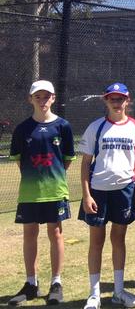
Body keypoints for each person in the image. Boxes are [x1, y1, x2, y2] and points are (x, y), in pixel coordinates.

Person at [78, 82, 135, 309]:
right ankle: (94, 294)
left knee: (119, 239)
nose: (116, 103)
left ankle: (118, 291)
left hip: (124, 191)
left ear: (128, 101)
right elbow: (85, 164)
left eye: (120, 98)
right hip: (98, 191)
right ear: (105, 101)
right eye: (112, 99)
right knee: (96, 242)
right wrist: (86, 195)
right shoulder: (95, 127)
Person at [8, 80, 76, 306]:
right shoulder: (21, 129)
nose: (43, 100)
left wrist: (51, 178)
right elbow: (19, 161)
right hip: (30, 193)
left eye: (47, 96)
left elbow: (66, 160)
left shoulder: (63, 126)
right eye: (38, 96)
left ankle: (56, 283)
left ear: (54, 98)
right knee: (29, 234)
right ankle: (31, 284)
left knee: (55, 233)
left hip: (55, 191)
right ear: (30, 99)